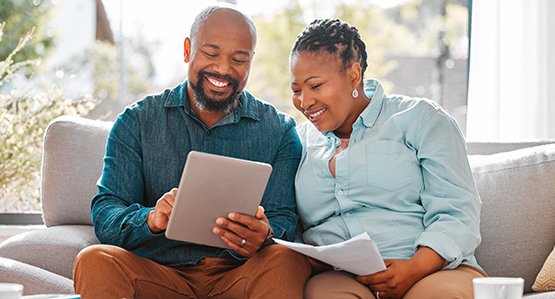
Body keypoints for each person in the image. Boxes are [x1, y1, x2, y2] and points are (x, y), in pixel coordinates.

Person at [72, 4, 311, 299]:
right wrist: (151, 219)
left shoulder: (279, 131)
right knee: (95, 261)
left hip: (239, 274)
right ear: (188, 50)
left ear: (250, 62)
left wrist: (265, 235)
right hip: (158, 272)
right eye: (211, 54)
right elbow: (107, 211)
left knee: (288, 260)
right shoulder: (137, 121)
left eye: (239, 59)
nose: (223, 69)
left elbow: (284, 219)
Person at [289, 18, 487, 299]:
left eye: (315, 86)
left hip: (434, 271)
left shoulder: (422, 119)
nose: (305, 102)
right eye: (296, 90)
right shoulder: (298, 141)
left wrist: (414, 268)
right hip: (341, 277)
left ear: (354, 75)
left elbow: (458, 212)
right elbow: (290, 224)